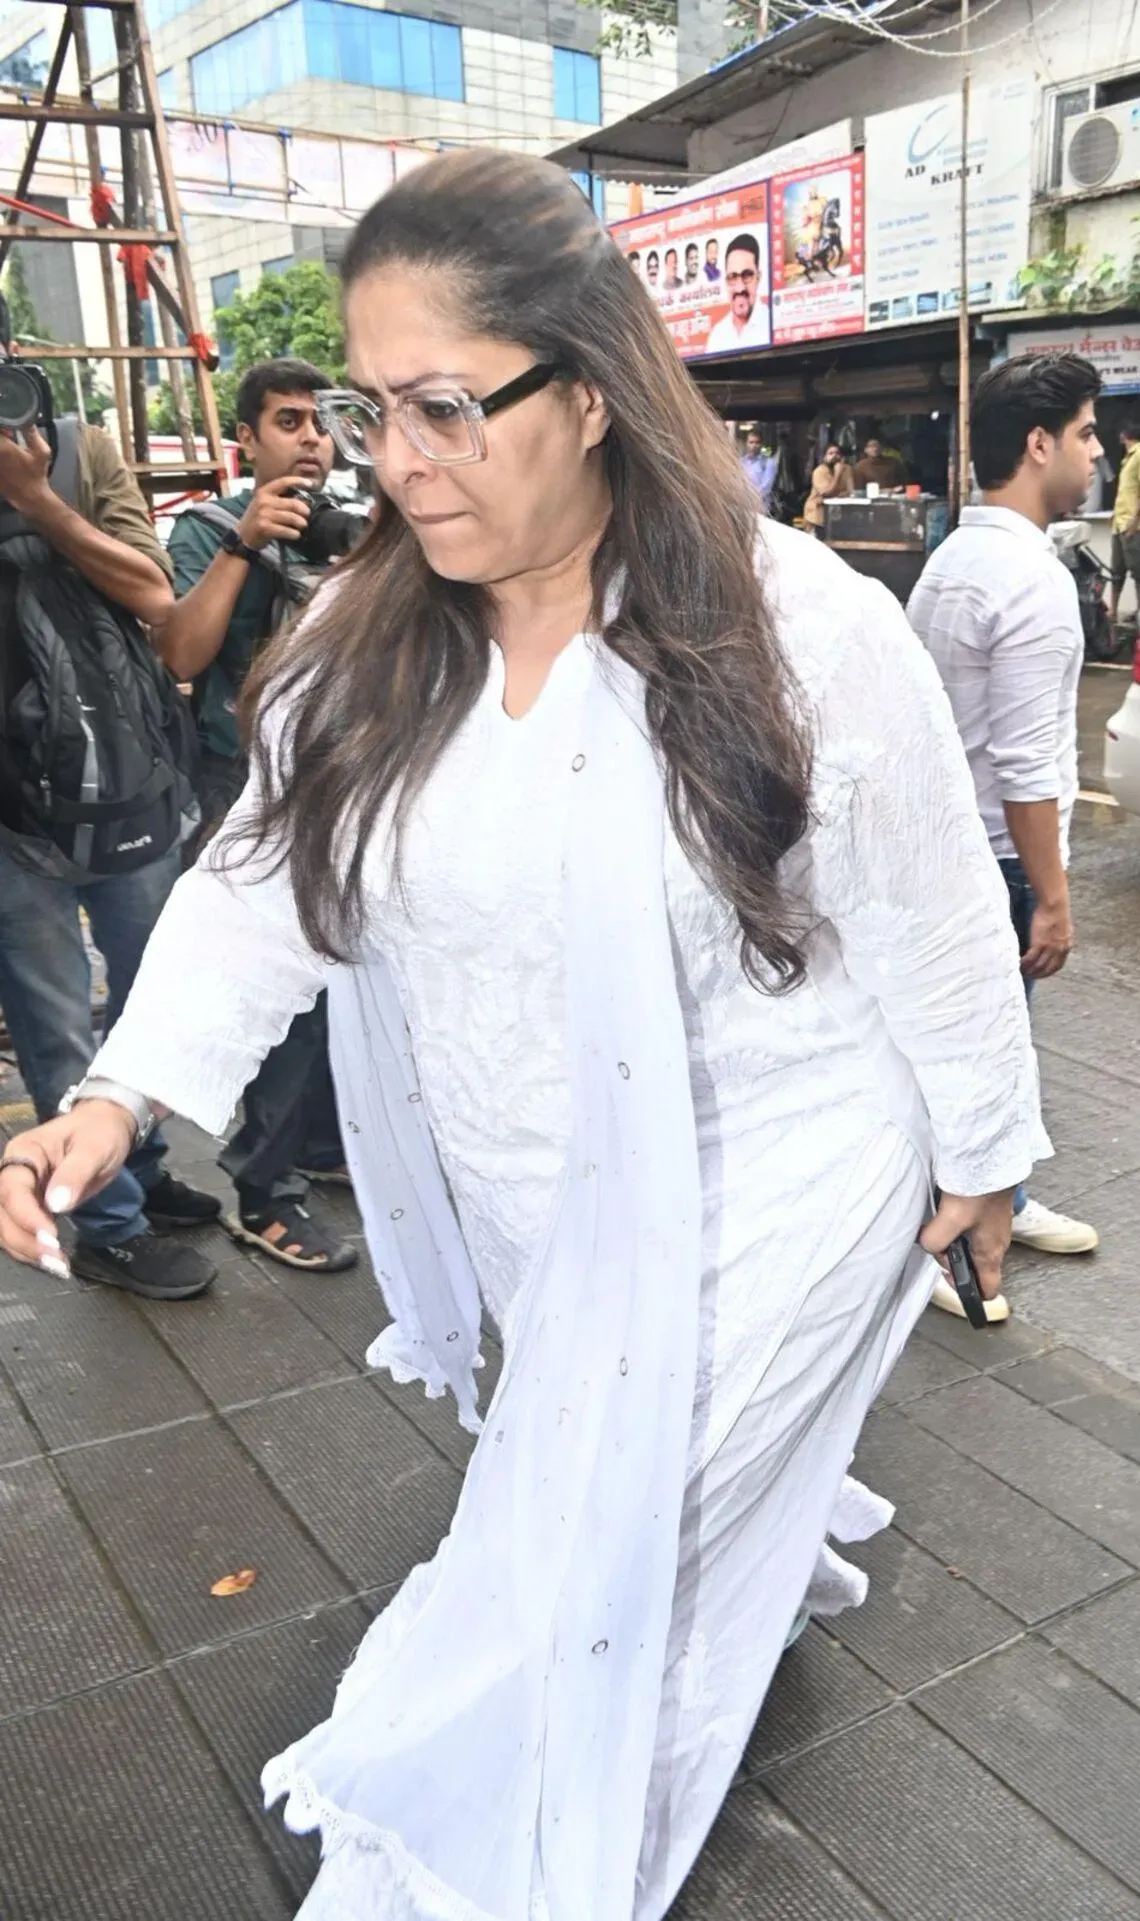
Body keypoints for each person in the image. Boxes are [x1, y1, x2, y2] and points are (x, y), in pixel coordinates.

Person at [0, 151, 1043, 1919]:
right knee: (615, 1472)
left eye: (439, 408)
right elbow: (261, 891)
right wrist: (115, 1097)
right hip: (527, 1179)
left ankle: (470, 1848)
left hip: (788, 1170)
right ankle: (735, 1569)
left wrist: (985, 1155)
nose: (388, 459)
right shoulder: (360, 649)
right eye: (362, 406)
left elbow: (935, 911)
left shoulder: (803, 625)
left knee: (564, 1549)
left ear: (589, 390)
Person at [0, 403, 219, 1302]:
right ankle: (108, 1224)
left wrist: (38, 500)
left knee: (149, 994)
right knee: (57, 1029)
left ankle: (137, 1157)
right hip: (13, 819)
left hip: (123, 779)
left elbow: (155, 592)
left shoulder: (81, 452)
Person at [909, 352, 1103, 1317]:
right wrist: (1054, 898)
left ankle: (1005, 1197)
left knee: (993, 1048)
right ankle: (944, 1242)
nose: (1098, 452)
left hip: (954, 845)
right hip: (995, 858)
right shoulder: (1029, 581)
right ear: (1038, 445)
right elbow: (1027, 769)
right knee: (978, 1056)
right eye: (1086, 433)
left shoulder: (954, 556)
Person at [156, 358, 358, 1274]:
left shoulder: (360, 523)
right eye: (287, 421)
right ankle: (263, 1186)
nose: (309, 437)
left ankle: (319, 1144)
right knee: (276, 990)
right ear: (246, 439)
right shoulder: (207, 529)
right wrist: (245, 544)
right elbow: (184, 652)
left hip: (344, 778)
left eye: (319, 421)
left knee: (345, 981)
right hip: (242, 785)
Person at [1109, 421, 1140, 631]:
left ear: (1123, 435)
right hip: (1119, 523)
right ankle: (1113, 611)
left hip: (1132, 524)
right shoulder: (1127, 457)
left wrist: (1135, 518)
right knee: (1116, 570)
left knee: (1137, 571)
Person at [706, 232, 770, 353]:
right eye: (733, 277)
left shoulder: (772, 325)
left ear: (758, 277)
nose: (740, 288)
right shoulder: (717, 336)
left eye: (747, 275)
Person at [803, 441, 852, 532]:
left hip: (836, 517)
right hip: (817, 516)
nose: (834, 456)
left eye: (837, 453)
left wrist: (845, 472)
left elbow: (850, 492)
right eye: (830, 453)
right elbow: (826, 493)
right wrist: (837, 474)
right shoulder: (820, 471)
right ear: (825, 457)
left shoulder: (846, 469)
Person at [739, 426, 779, 509]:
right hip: (743, 506)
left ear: (762, 444)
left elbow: (766, 488)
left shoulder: (769, 463)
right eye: (751, 442)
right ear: (746, 443)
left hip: (760, 508)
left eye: (757, 442)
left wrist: (750, 500)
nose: (754, 445)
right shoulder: (742, 462)